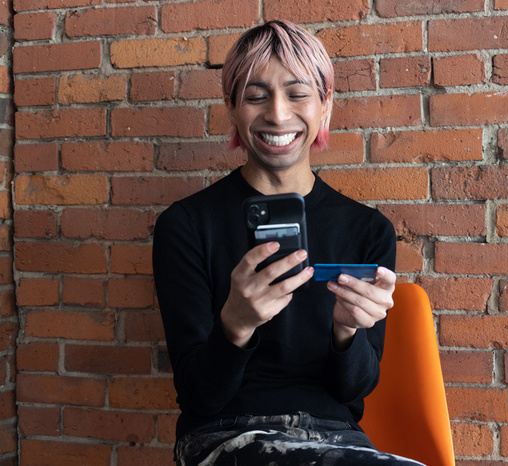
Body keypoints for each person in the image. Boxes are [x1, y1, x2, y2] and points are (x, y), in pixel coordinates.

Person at [152, 20, 425, 466]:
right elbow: (200, 395)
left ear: (325, 106)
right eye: (256, 96)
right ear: (232, 107)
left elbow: (354, 391)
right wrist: (236, 325)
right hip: (223, 437)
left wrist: (346, 332)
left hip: (338, 441)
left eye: (297, 94)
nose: (278, 114)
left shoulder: (367, 230)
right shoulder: (185, 225)